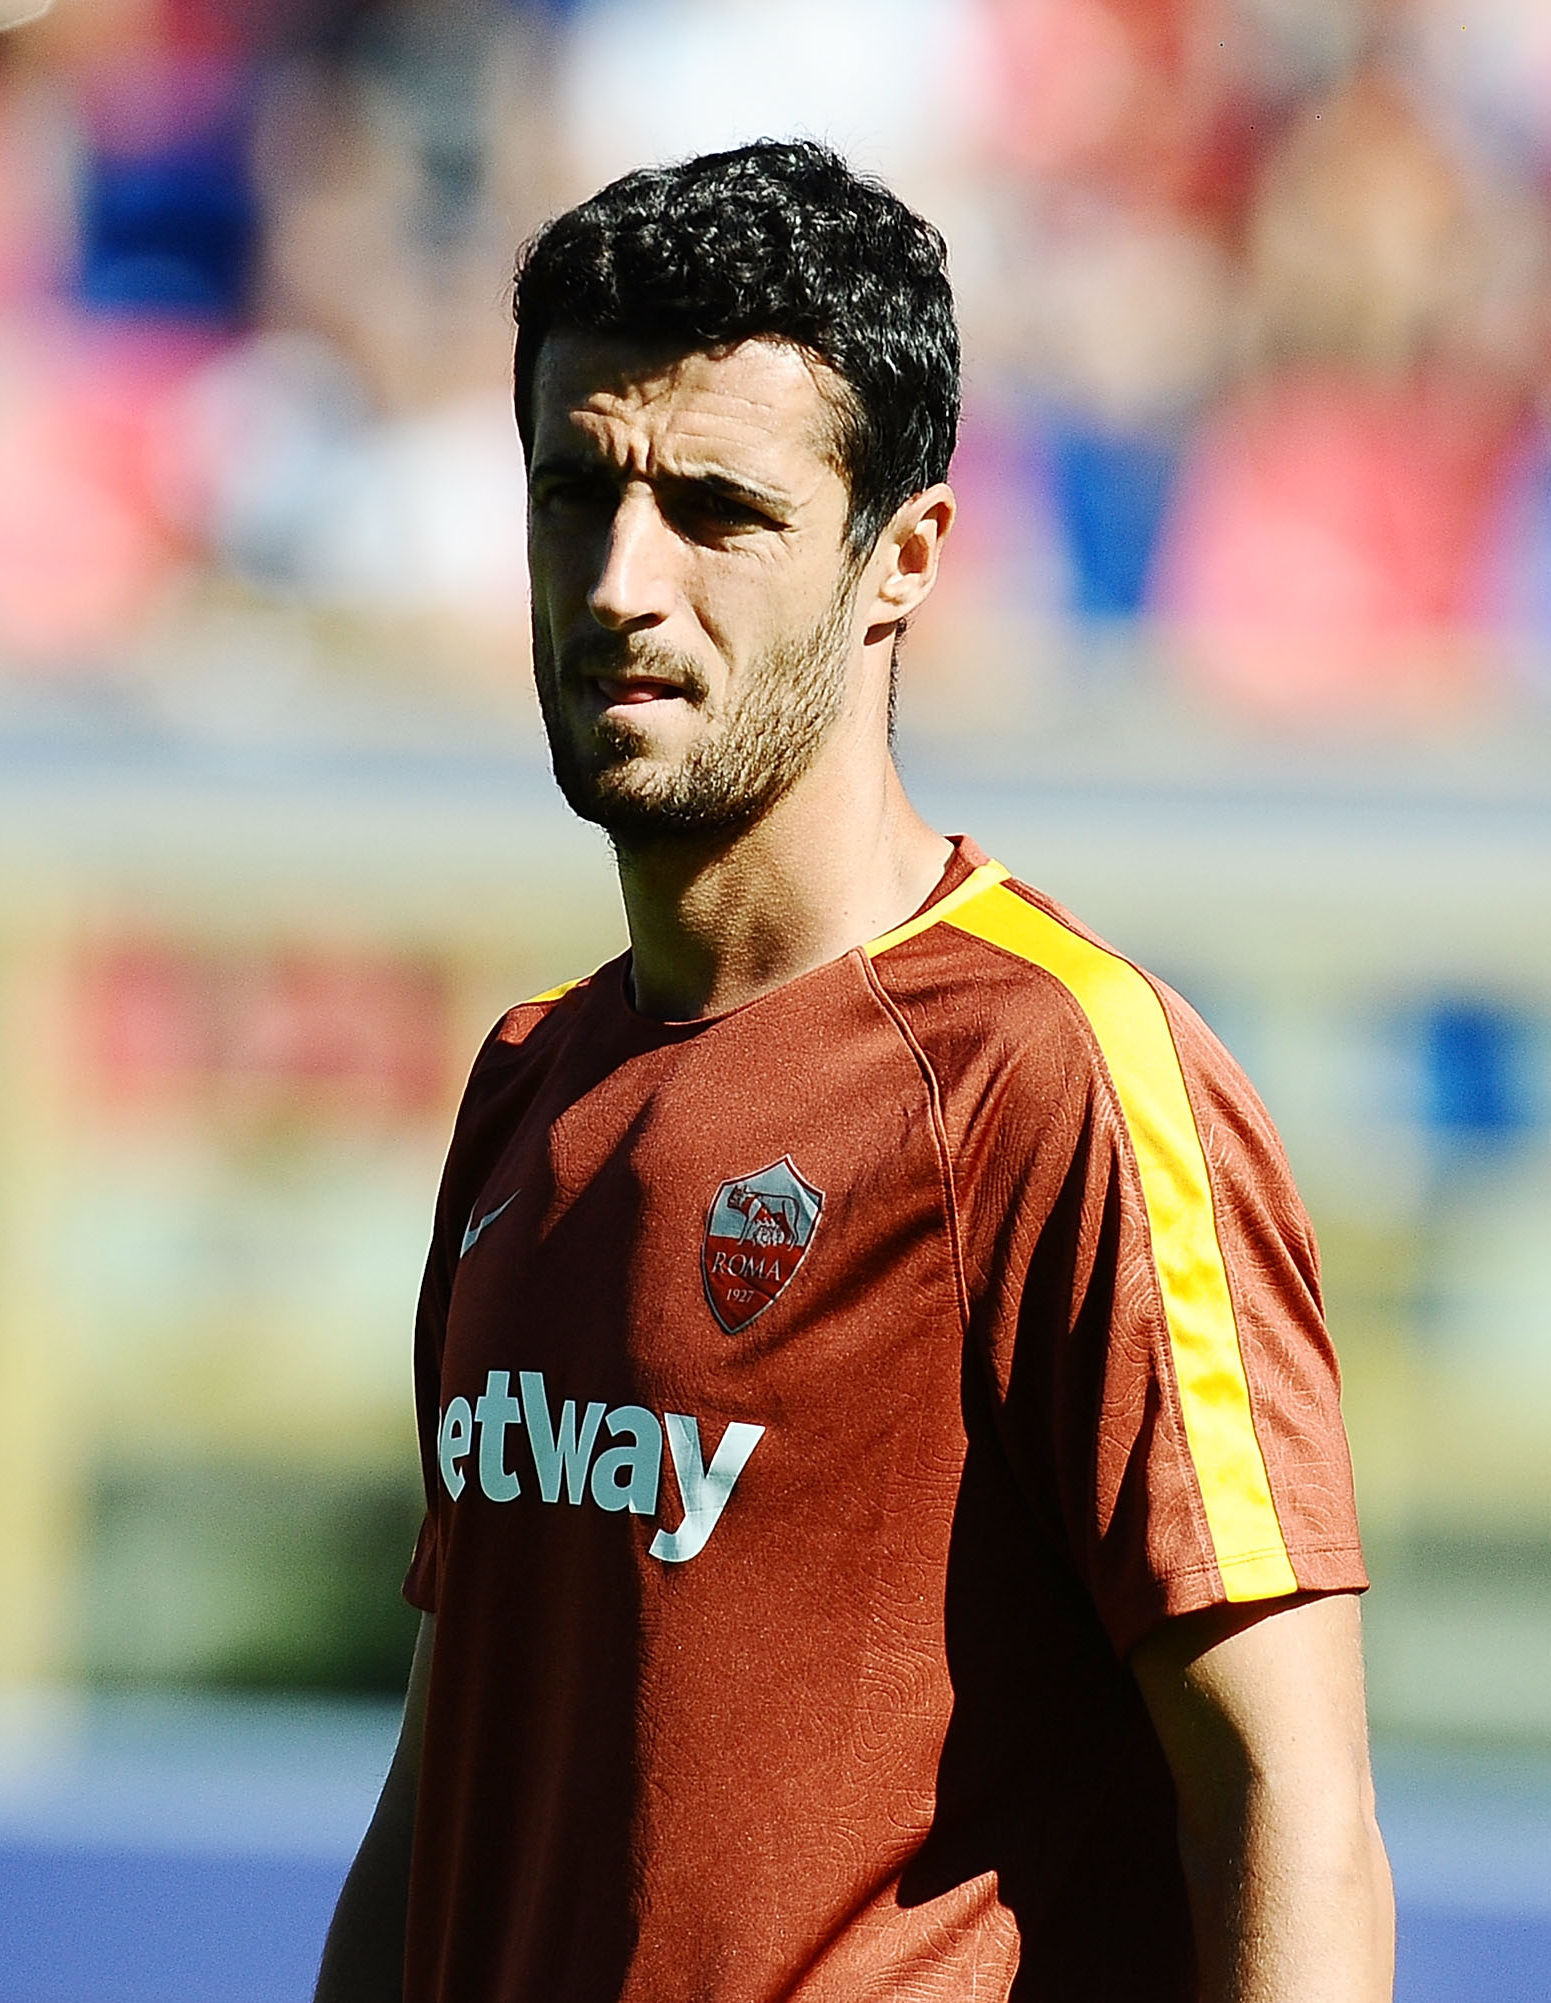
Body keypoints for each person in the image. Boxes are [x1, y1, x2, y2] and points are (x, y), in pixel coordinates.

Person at [316, 141, 1392, 2002]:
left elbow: (1294, 1814)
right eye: (576, 493)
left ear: (904, 559)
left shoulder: (1056, 1080)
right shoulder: (528, 1091)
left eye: (718, 511)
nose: (623, 580)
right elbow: (448, 1796)